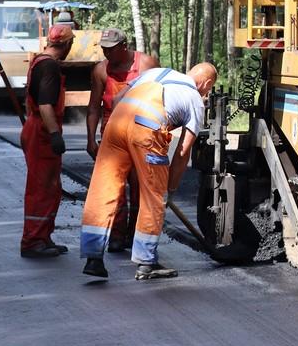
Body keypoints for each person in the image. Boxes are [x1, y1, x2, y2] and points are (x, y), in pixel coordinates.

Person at [80, 62, 218, 280]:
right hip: (147, 130)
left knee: (103, 188)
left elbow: (116, 100)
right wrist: (170, 189)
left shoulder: (155, 73)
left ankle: (93, 257)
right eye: (208, 90)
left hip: (116, 124)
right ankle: (146, 263)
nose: (206, 94)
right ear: (207, 84)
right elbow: (183, 151)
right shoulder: (194, 100)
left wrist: (127, 142)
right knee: (153, 196)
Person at [85, 28, 159, 252]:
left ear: (124, 46)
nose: (106, 54)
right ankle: (116, 235)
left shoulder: (147, 64)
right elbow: (93, 108)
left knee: (139, 187)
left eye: (111, 49)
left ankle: (135, 233)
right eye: (104, 49)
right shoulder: (100, 71)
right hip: (112, 137)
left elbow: (160, 100)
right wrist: (90, 139)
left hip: (140, 135)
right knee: (113, 187)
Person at [20, 24, 74, 258]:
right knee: (42, 188)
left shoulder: (38, 61)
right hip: (42, 131)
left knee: (50, 187)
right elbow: (45, 105)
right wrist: (54, 134)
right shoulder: (50, 66)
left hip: (35, 127)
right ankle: (33, 241)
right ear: (67, 44)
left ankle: (43, 236)